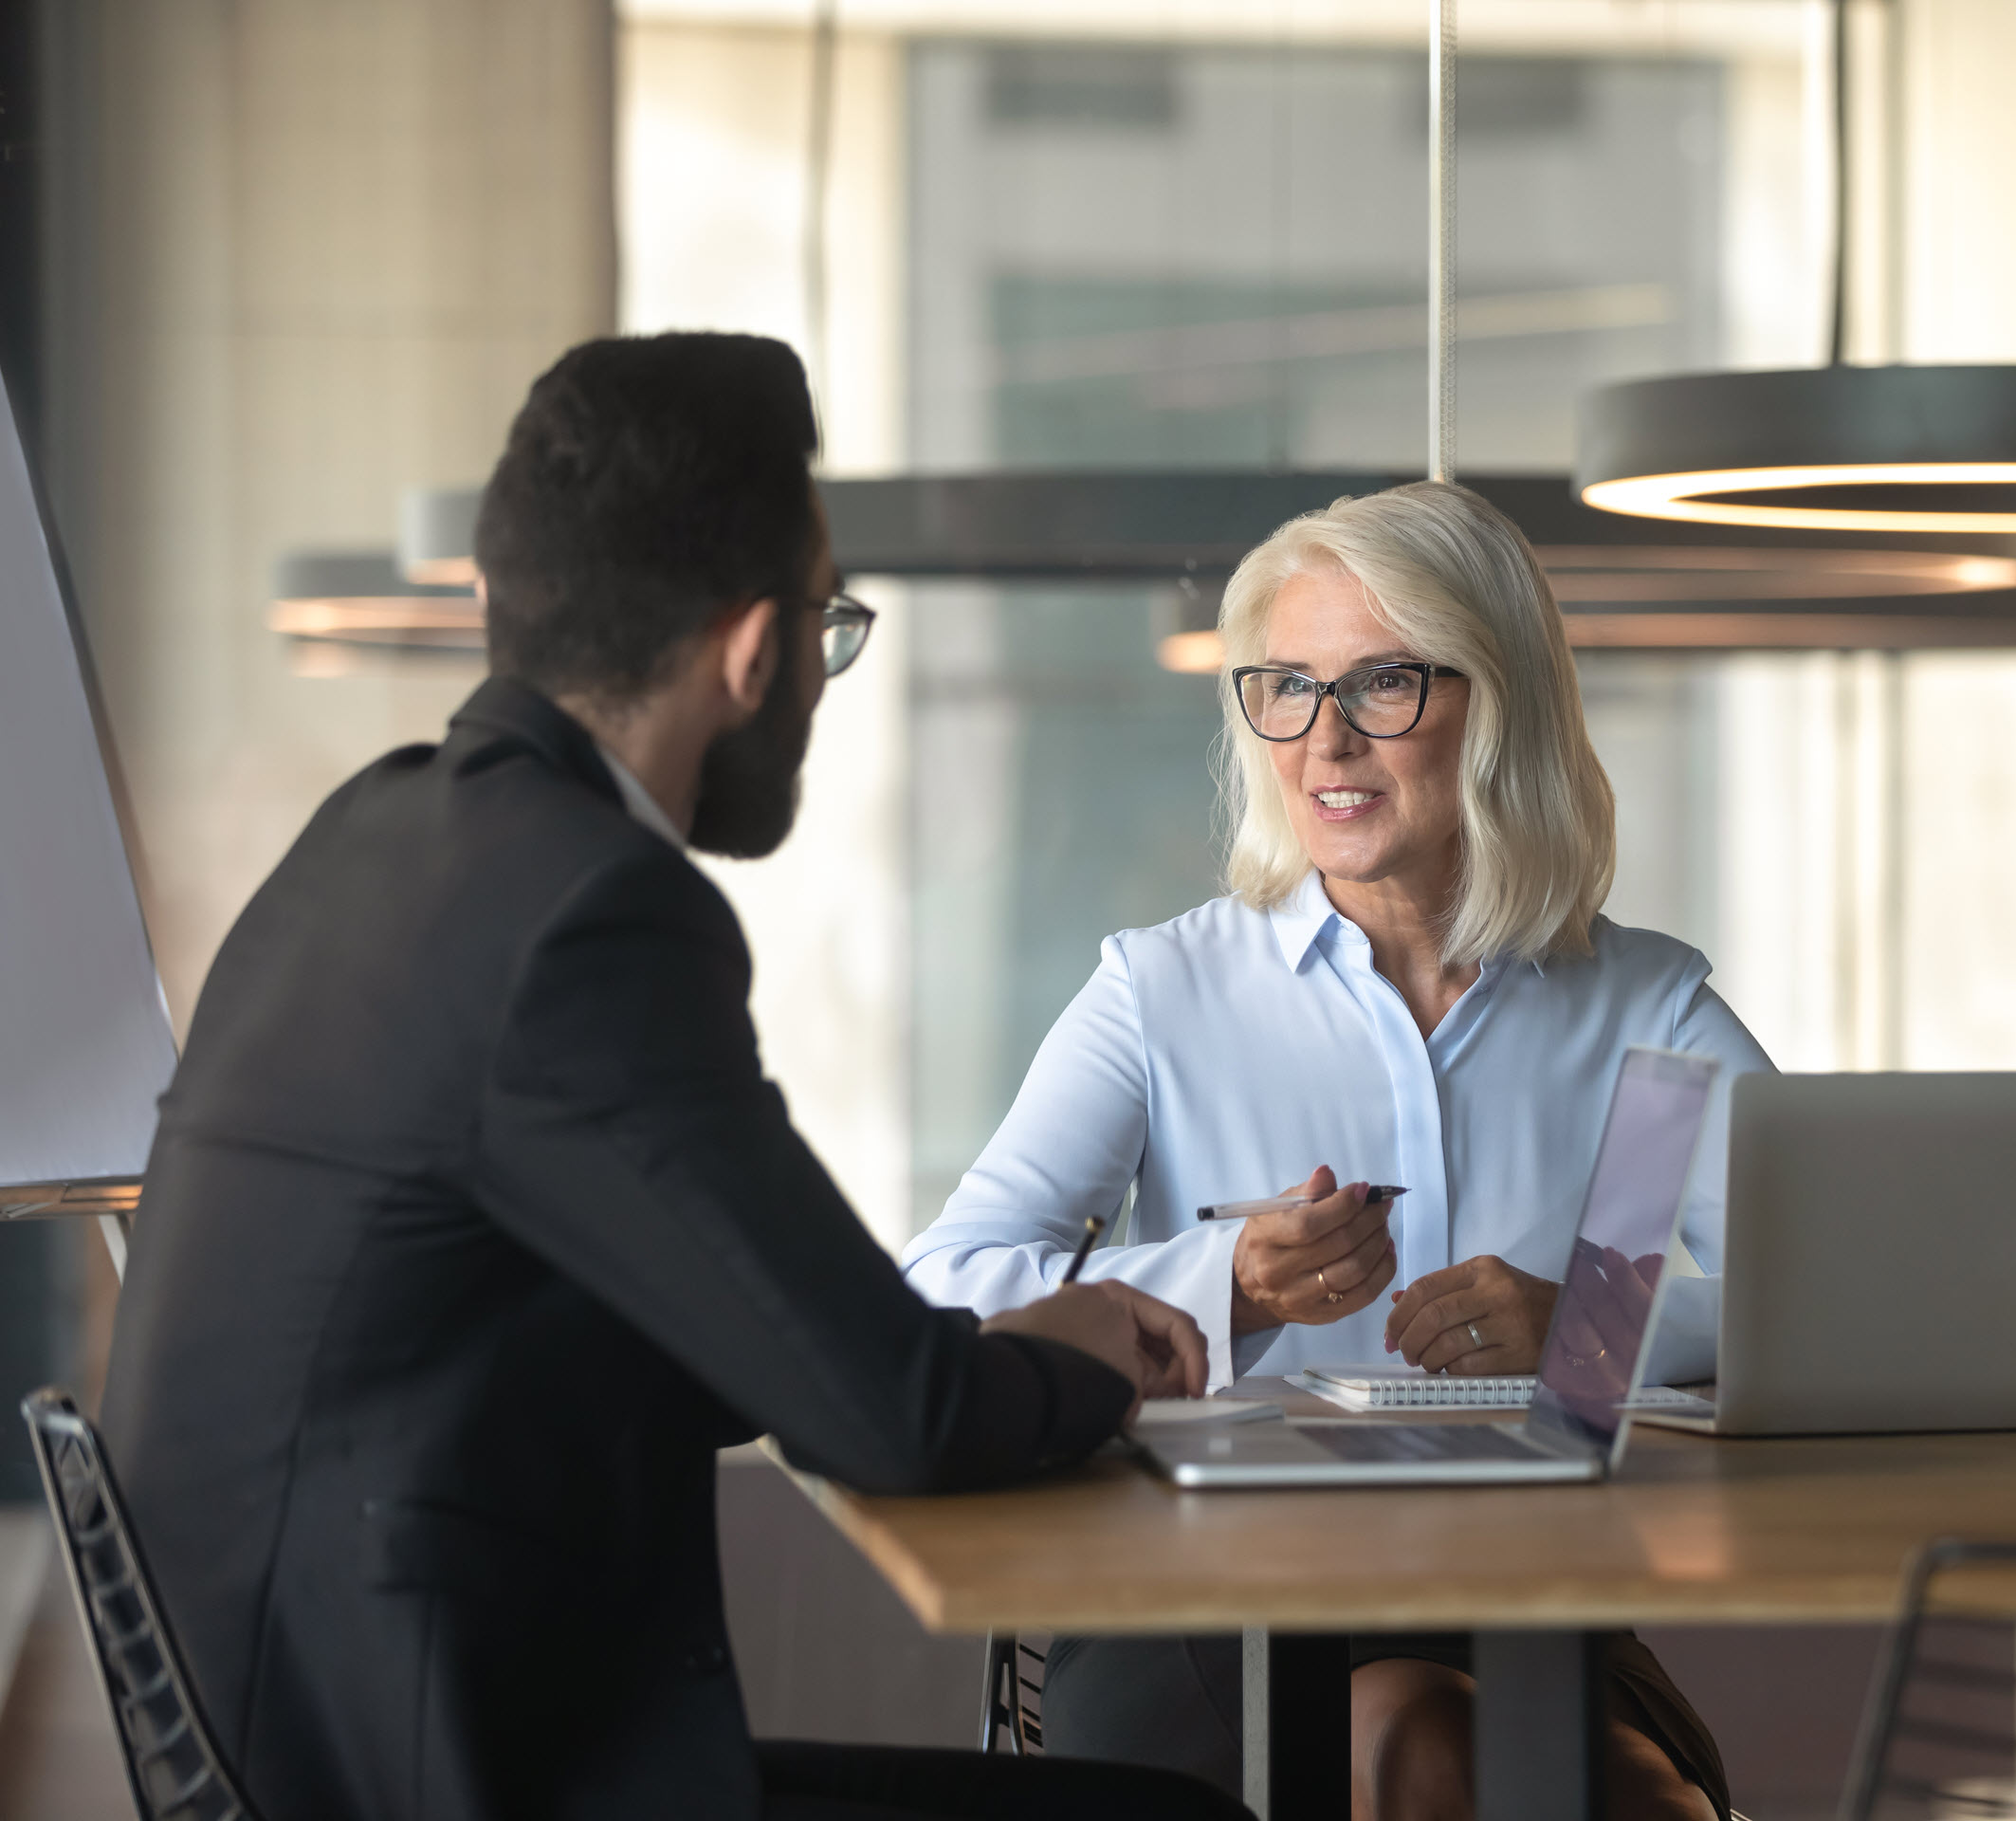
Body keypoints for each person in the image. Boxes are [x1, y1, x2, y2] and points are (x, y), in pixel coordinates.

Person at [97, 334, 1246, 1821]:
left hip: (306, 1743)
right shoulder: (583, 913)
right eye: (831, 630)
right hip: (438, 1774)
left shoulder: (380, 840)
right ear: (753, 649)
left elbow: (726, 1328)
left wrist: (967, 1349)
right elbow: (889, 1428)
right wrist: (1084, 1360)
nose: (819, 683)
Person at [900, 481, 1772, 1821]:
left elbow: (1814, 1303)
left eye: (1382, 685)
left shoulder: (1640, 1009)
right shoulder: (1161, 993)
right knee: (1415, 1740)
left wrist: (1590, 1327)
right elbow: (941, 1286)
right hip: (1197, 1603)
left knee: (1647, 1796)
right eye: (1287, 689)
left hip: (1529, 1605)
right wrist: (1222, 1283)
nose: (1325, 741)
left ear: (1501, 703)